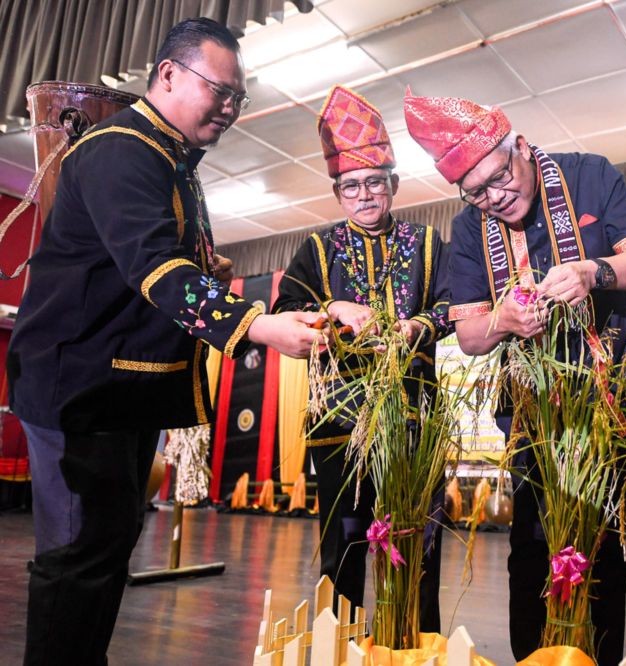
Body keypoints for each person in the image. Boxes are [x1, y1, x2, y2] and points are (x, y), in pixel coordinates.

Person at [6, 18, 323, 666]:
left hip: (124, 389)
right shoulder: (124, 149)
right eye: (220, 89)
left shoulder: (172, 159)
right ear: (169, 74)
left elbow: (166, 265)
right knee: (76, 559)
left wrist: (215, 277)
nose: (230, 107)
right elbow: (156, 269)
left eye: (239, 96)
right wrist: (259, 324)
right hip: (81, 389)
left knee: (105, 551)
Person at [404, 91, 626, 665]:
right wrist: (504, 319)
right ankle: (535, 658)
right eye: (477, 193)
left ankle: (595, 656)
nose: (496, 198)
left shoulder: (588, 175)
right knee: (532, 543)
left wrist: (594, 272)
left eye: (500, 178)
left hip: (609, 394)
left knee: (598, 537)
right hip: (528, 407)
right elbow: (469, 336)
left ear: (518, 146)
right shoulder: (470, 230)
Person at [272, 85, 451, 631]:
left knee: (415, 542)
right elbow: (285, 310)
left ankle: (411, 645)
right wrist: (332, 306)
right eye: (352, 186)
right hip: (339, 426)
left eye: (375, 182)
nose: (365, 195)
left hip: (414, 420)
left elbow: (455, 306)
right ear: (338, 192)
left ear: (394, 184)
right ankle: (340, 643)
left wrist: (418, 324)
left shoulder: (427, 244)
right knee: (344, 542)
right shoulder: (317, 248)